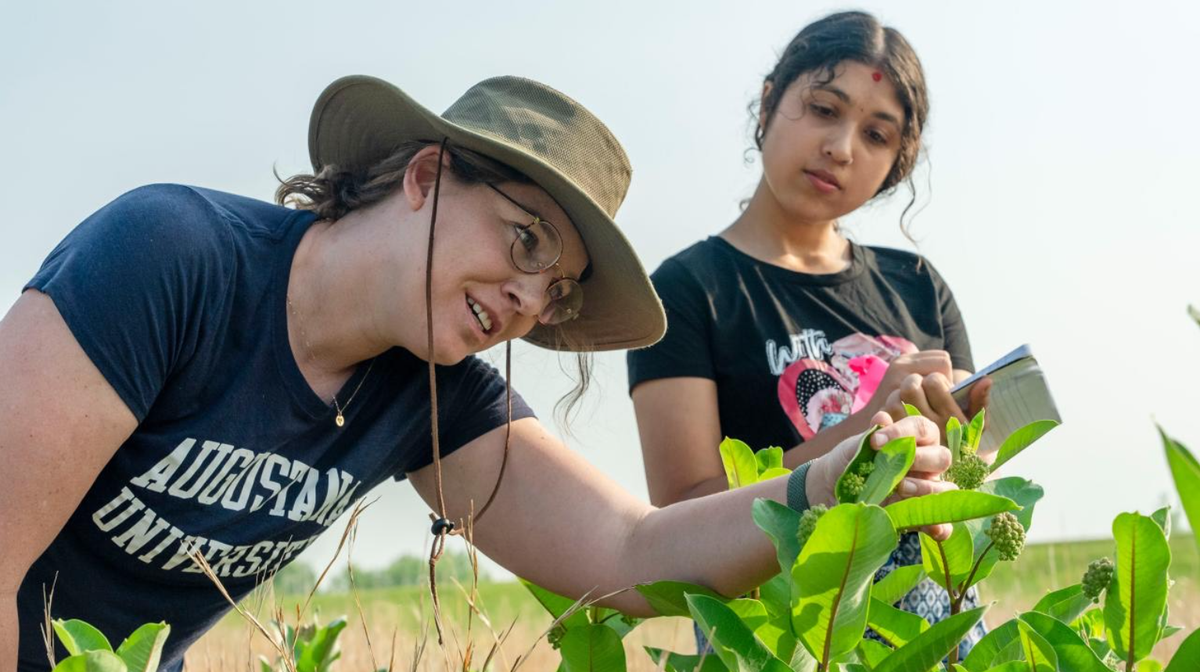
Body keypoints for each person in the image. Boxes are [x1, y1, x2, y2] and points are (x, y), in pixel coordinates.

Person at [0, 73, 956, 672]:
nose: (529, 300)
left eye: (560, 291)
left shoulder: (432, 387)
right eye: (525, 238)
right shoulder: (173, 258)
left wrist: (830, 481)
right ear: (424, 177)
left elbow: (629, 555)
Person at [626, 11, 991, 656]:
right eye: (824, 109)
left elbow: (970, 476)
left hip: (931, 628)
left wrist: (966, 450)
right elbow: (683, 512)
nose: (842, 148)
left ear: (895, 165)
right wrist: (868, 428)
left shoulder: (918, 285)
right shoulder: (687, 292)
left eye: (877, 135)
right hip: (774, 638)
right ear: (769, 102)